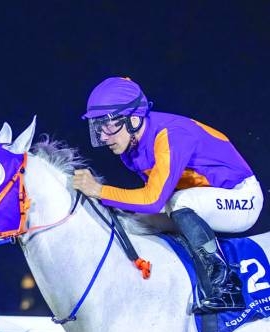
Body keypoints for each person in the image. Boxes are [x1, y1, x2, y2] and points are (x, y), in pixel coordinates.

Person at [72, 76, 263, 312]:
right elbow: (152, 203)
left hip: (242, 197)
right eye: (98, 127)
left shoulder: (171, 134)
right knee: (133, 220)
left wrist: (99, 190)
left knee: (180, 202)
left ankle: (227, 286)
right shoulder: (129, 151)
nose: (102, 136)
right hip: (201, 201)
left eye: (108, 125)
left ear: (133, 119)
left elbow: (153, 199)